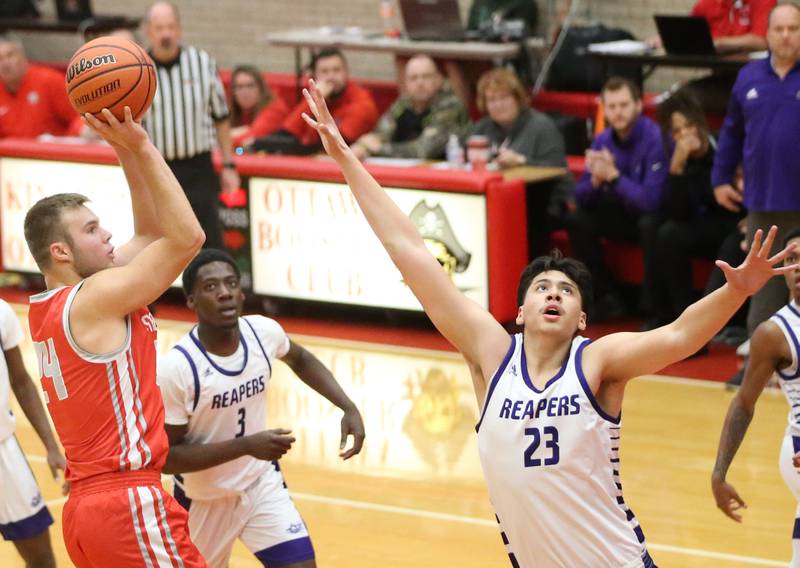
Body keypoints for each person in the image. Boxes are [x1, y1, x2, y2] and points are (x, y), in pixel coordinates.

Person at [300, 77, 796, 568]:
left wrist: (737, 290)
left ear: (582, 319)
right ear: (520, 313)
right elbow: (408, 248)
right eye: (541, 288)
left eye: (566, 289)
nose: (552, 292)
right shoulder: (492, 354)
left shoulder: (597, 359)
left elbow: (680, 335)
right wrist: (345, 156)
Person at [24, 107, 206, 567]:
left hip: (88, 509)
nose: (107, 234)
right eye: (91, 230)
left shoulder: (54, 304)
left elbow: (149, 233)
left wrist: (124, 145)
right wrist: (144, 147)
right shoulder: (95, 297)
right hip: (126, 502)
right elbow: (186, 238)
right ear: (60, 252)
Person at [157, 249, 365, 568]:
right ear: (191, 301)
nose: (224, 293)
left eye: (231, 283)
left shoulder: (262, 332)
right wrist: (247, 446)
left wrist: (347, 406)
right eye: (211, 287)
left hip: (260, 485)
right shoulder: (177, 368)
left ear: (241, 292)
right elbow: (168, 459)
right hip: (203, 500)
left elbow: (301, 358)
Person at [712, 2, 800, 383]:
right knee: (761, 289)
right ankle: (759, 370)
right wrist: (719, 179)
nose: (785, 35)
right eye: (779, 28)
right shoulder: (748, 77)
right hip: (763, 201)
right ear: (767, 34)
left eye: (793, 28)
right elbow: (731, 133)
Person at [711, 228, 800, 567]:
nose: (797, 267)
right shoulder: (774, 334)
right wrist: (719, 473)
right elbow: (744, 404)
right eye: (791, 259)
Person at [566, 77, 668, 321]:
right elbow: (580, 196)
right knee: (576, 219)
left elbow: (651, 201)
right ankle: (606, 296)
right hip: (620, 212)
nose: (618, 112)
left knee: (650, 224)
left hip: (653, 216)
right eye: (611, 107)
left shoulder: (655, 138)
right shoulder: (603, 140)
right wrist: (595, 183)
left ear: (638, 105)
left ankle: (652, 308)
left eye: (623, 105)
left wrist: (613, 177)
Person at [142, 1, 239, 250]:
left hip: (199, 166)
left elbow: (221, 116)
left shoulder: (201, 61)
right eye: (159, 27)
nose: (166, 34)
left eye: (171, 27)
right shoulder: (138, 70)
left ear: (179, 29)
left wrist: (228, 164)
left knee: (208, 238)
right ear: (148, 31)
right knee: (162, 242)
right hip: (159, 168)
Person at [645, 92, 743, 329]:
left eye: (688, 126)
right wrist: (677, 168)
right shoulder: (679, 159)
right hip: (705, 225)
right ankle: (669, 316)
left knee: (672, 233)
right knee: (658, 228)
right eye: (677, 131)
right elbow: (678, 212)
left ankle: (696, 327)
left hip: (735, 221)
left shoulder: (723, 146)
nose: (685, 135)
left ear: (700, 123)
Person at [470, 67, 574, 257]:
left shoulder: (541, 125)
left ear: (517, 98)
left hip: (543, 203)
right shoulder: (484, 127)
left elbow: (558, 169)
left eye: (503, 98)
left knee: (520, 218)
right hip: (499, 201)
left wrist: (521, 160)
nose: (498, 105)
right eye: (492, 100)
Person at [0, 298, 66, 568]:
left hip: (4, 451)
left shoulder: (2, 311)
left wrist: (51, 445)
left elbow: (22, 381)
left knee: (41, 557)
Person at [352, 54, 467, 160]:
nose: (420, 83)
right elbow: (380, 134)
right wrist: (362, 146)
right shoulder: (404, 103)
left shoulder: (450, 105)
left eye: (426, 76)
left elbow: (423, 150)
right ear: (406, 83)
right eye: (414, 78)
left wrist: (379, 149)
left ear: (438, 79)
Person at [281, 48, 378, 149]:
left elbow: (336, 146)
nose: (331, 76)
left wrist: (317, 103)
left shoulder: (362, 103)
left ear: (346, 72)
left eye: (336, 70)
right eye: (324, 71)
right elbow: (287, 133)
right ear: (315, 76)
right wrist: (313, 101)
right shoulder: (314, 99)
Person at [0, 34, 80, 139]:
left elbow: (79, 118)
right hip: (9, 153)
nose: (5, 63)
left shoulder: (50, 80)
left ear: (23, 57)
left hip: (51, 151)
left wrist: (75, 134)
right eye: (0, 59)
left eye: (10, 55)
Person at [229, 66, 289, 150]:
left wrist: (225, 135)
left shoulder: (275, 109)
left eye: (250, 86)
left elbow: (251, 138)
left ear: (261, 88)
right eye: (239, 87)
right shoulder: (234, 110)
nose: (244, 92)